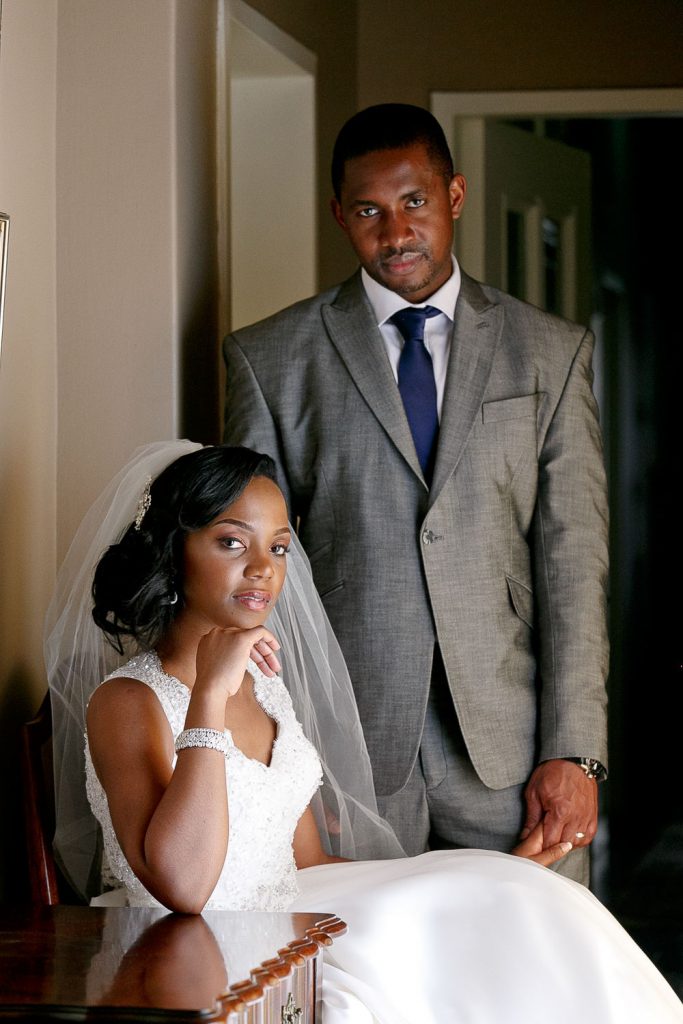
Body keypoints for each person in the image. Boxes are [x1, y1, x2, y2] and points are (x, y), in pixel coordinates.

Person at [45, 442, 682, 1024]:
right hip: (199, 944)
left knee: (526, 907)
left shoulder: (265, 686)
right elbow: (186, 889)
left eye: (280, 546)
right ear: (173, 549)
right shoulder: (130, 700)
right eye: (233, 542)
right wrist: (207, 695)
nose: (264, 569)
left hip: (302, 912)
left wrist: (475, 879)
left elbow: (309, 861)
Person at [222, 103, 609, 883]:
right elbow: (249, 575)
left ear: (455, 196)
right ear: (339, 214)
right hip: (343, 748)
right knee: (357, 985)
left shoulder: (550, 353)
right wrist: (268, 746)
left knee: (524, 986)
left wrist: (575, 754)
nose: (394, 232)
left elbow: (574, 565)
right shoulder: (269, 358)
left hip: (511, 755)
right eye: (367, 210)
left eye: (414, 203)